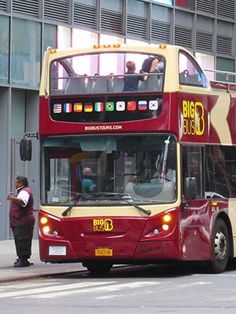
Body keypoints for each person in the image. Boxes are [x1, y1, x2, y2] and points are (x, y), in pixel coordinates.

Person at [7, 176, 35, 267]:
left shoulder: (24, 191)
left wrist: (12, 198)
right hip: (20, 221)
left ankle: (22, 259)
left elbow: (23, 202)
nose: (15, 184)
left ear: (21, 183)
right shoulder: (22, 191)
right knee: (21, 239)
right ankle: (22, 258)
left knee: (22, 239)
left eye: (16, 182)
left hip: (22, 220)